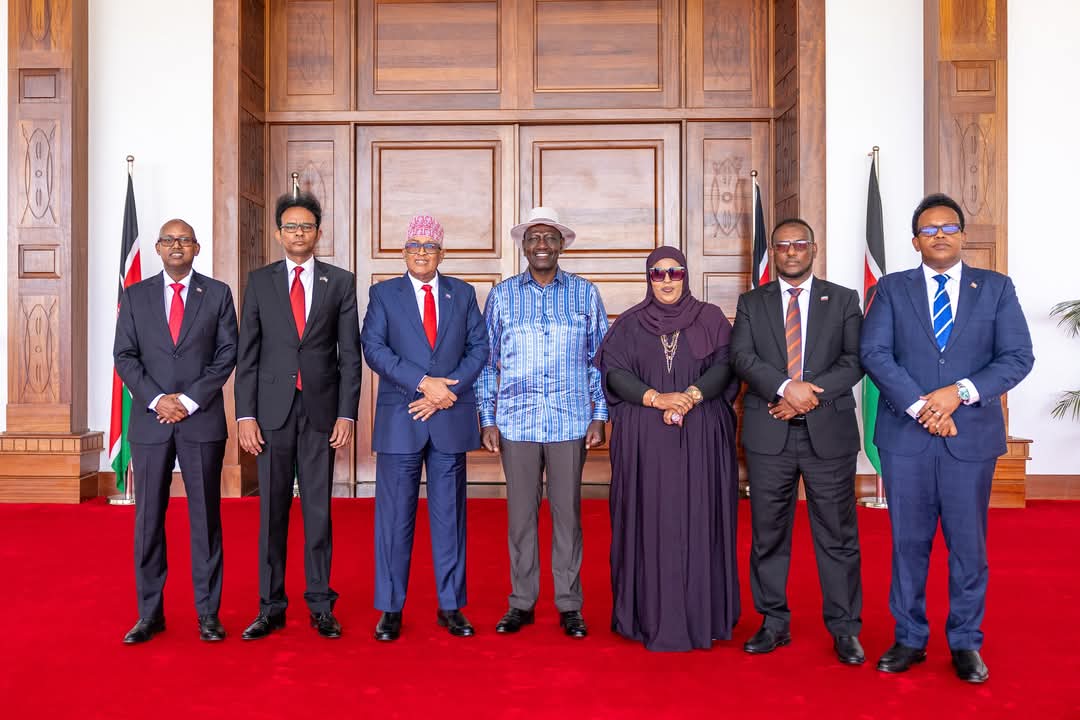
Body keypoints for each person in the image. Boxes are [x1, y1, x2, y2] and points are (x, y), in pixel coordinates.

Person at [861, 193, 1034, 683]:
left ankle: (965, 642)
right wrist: (922, 406)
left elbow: (1017, 356)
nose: (939, 235)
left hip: (969, 439)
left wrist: (958, 393)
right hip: (906, 438)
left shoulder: (996, 289)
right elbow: (874, 353)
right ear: (915, 240)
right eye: (929, 229)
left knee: (968, 546)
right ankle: (910, 638)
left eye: (948, 227)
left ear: (962, 235)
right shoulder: (893, 289)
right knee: (907, 544)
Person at [730, 218, 866, 665]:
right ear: (774, 251)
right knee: (769, 534)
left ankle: (845, 628)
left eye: (799, 244)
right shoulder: (752, 302)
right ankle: (773, 622)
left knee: (837, 534)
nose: (791, 251)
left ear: (813, 249)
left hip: (828, 431)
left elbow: (855, 361)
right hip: (770, 431)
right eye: (782, 245)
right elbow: (742, 357)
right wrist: (787, 389)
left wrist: (807, 395)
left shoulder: (843, 299)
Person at [598, 247, 740, 651]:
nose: (665, 281)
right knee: (649, 517)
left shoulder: (710, 317)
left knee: (700, 516)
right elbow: (614, 372)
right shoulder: (628, 324)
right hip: (645, 440)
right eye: (657, 274)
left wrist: (689, 396)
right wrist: (656, 399)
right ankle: (645, 615)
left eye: (674, 273)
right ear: (648, 278)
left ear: (685, 275)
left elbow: (726, 367)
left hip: (701, 436)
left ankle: (703, 615)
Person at [234, 192, 362, 640]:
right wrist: (244, 415)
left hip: (321, 413)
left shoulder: (340, 282)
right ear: (278, 233)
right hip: (270, 414)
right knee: (272, 512)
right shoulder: (260, 281)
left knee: (318, 510)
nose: (298, 234)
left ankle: (321, 604)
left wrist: (347, 414)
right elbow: (246, 355)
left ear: (318, 233)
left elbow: (351, 355)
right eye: (290, 227)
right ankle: (270, 606)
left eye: (306, 227)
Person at [476, 206, 608, 639]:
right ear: (523, 245)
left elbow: (599, 360)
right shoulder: (502, 296)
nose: (542, 245)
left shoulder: (585, 294)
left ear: (562, 244)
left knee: (568, 515)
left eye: (550, 237)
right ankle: (522, 602)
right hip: (517, 423)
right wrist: (488, 417)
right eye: (534, 237)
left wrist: (599, 413)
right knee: (521, 517)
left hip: (571, 422)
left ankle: (569, 604)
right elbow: (488, 363)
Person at [360, 215, 489, 641]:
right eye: (414, 245)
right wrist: (423, 384)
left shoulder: (463, 294)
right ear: (403, 252)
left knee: (449, 517)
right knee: (394, 518)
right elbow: (374, 348)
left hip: (449, 415)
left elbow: (479, 348)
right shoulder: (383, 294)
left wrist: (445, 391)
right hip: (403, 416)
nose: (421, 252)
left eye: (429, 246)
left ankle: (450, 606)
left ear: (441, 253)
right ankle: (391, 608)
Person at [113, 219, 238, 644]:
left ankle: (208, 613)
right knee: (148, 519)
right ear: (157, 248)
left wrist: (186, 401)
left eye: (184, 240)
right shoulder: (135, 296)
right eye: (169, 240)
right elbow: (125, 356)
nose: (176, 246)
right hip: (151, 422)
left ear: (197, 248)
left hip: (200, 421)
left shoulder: (218, 294)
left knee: (205, 518)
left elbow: (226, 355)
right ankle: (149, 614)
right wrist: (156, 399)